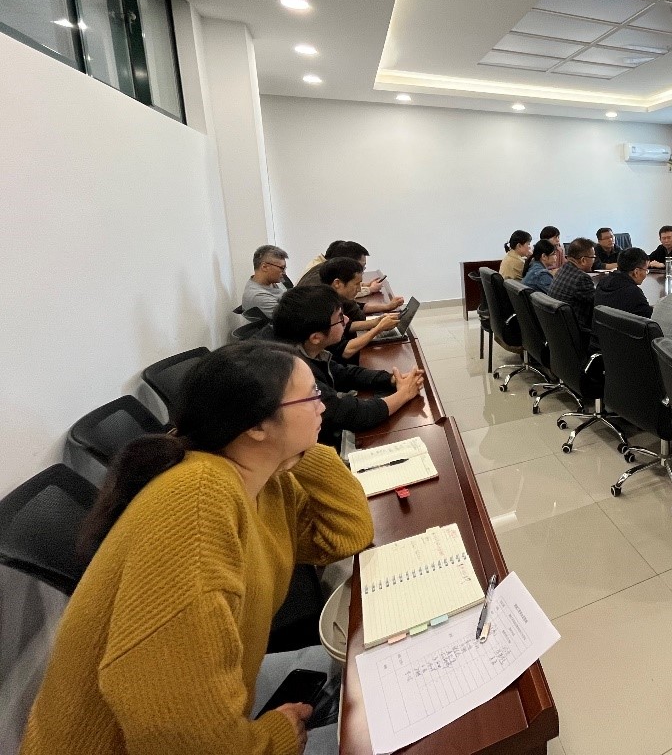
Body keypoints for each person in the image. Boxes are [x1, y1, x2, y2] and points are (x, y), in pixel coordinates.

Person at [20, 341, 374, 755]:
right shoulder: (197, 502)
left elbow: (346, 533)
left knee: (364, 672)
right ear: (256, 425)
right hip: (140, 744)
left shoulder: (263, 480)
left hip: (218, 708)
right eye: (311, 396)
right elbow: (179, 735)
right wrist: (275, 739)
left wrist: (300, 448)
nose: (323, 405)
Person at [273, 285, 424, 448]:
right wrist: (404, 394)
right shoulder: (293, 374)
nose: (346, 320)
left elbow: (344, 373)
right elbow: (353, 415)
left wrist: (391, 379)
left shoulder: (306, 349)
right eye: (339, 318)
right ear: (316, 337)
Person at [318, 257, 402, 362]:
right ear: (337, 283)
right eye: (356, 284)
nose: (359, 289)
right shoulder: (324, 307)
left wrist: (376, 322)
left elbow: (347, 326)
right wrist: (378, 329)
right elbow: (345, 350)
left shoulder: (333, 298)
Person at [591, 247, 652, 349]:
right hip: (622, 350)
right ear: (636, 272)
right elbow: (650, 323)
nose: (646, 273)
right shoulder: (633, 293)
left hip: (600, 344)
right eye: (646, 270)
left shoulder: (603, 283)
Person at [548, 237, 597, 330]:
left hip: (558, 328)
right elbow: (599, 303)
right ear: (583, 260)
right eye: (593, 257)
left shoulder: (562, 269)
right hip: (577, 331)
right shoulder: (581, 278)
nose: (594, 260)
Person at [241, 244, 289, 318]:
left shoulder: (275, 281)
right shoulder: (258, 296)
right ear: (264, 267)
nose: (284, 273)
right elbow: (290, 319)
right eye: (281, 268)